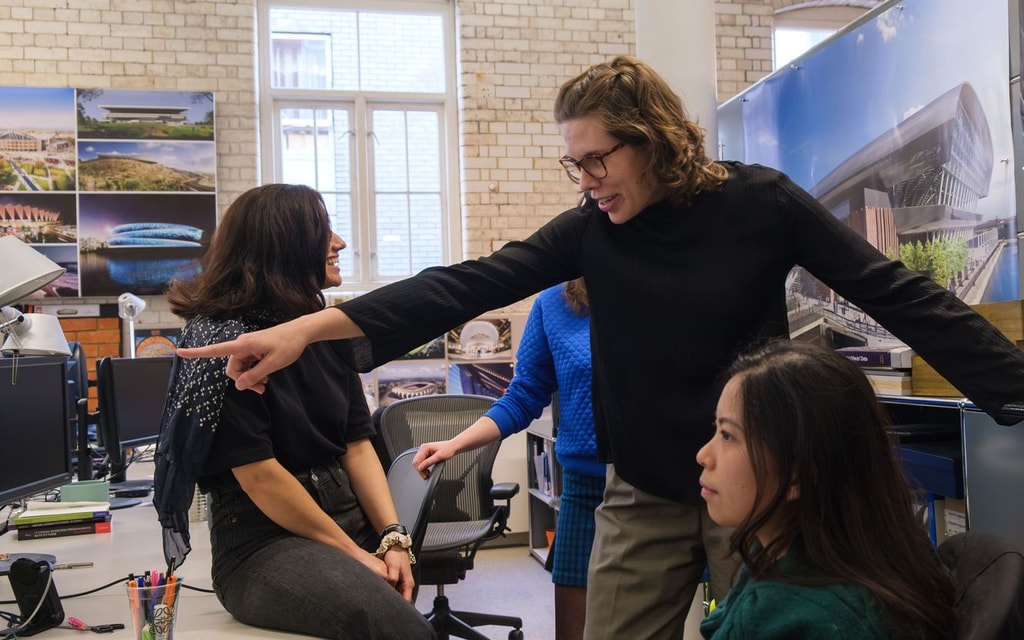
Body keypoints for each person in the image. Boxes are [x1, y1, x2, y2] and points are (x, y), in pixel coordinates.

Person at [177, 55, 1024, 640]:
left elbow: (894, 291)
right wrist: (304, 329)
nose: (585, 182)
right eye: (572, 165)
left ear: (651, 138)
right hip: (643, 486)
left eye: (596, 160)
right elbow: (467, 284)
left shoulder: (762, 204)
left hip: (759, 489)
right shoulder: (594, 231)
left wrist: (1015, 388)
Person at [152, 184, 436, 640]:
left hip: (346, 514)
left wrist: (392, 537)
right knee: (401, 628)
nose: (340, 243)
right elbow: (260, 477)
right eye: (323, 232)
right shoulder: (222, 340)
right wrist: (356, 556)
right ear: (284, 245)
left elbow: (356, 445)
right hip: (264, 541)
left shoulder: (319, 329)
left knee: (399, 610)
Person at [697, 340, 955, 640]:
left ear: (798, 476)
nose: (703, 455)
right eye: (716, 430)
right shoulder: (792, 555)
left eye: (728, 435)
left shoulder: (805, 620)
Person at [412, 278, 603, 640]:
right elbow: (524, 394)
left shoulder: (655, 283)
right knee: (574, 627)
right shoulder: (554, 302)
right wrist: (455, 444)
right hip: (584, 489)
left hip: (651, 483)